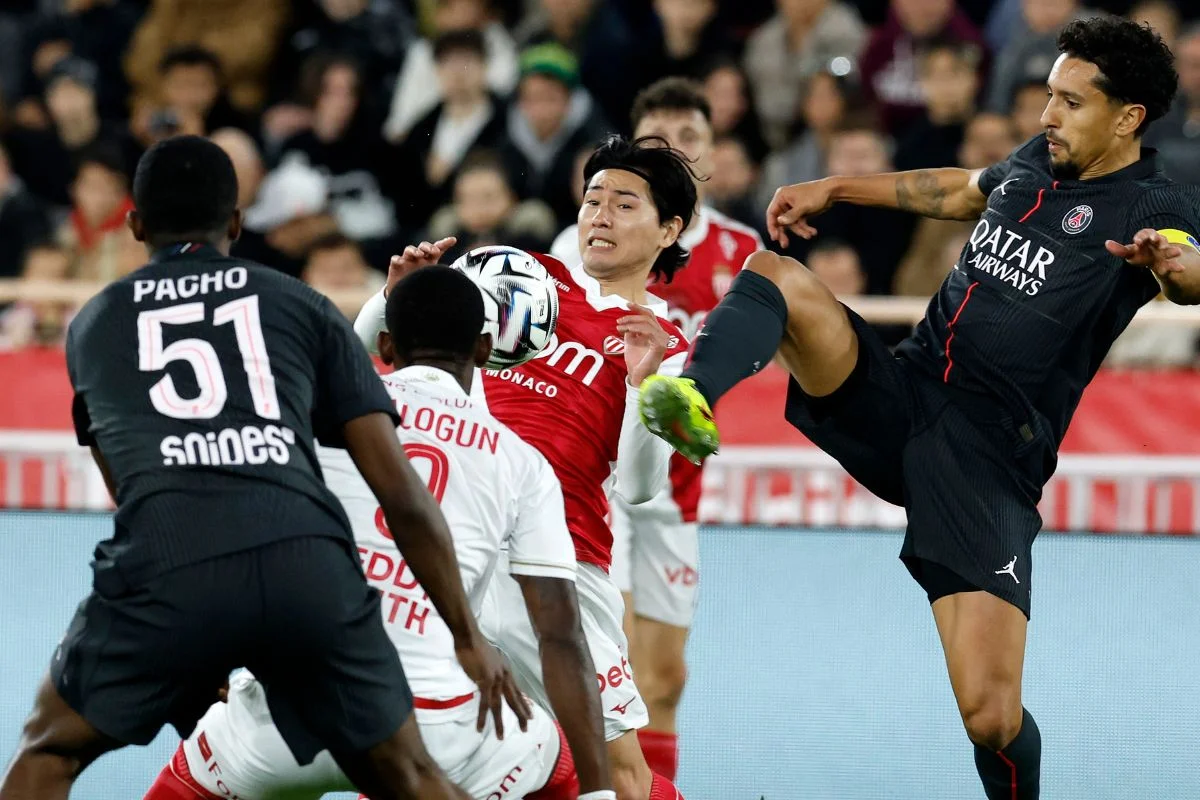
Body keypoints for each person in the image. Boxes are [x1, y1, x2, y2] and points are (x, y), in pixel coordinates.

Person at [638, 17, 1200, 800]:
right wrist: (835, 187)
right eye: (1050, 96)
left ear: (1128, 117)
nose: (1047, 115)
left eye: (1070, 103)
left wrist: (1171, 264)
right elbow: (957, 189)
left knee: (990, 718)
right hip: (901, 394)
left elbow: (1188, 272)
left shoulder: (1154, 202)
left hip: (987, 462)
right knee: (775, 274)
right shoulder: (1037, 158)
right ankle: (693, 394)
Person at [0, 135, 526, 800]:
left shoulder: (93, 325)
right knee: (408, 773)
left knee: (48, 750)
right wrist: (467, 636)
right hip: (305, 569)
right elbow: (401, 492)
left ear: (134, 224)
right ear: (236, 222)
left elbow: (127, 486)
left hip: (170, 564)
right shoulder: (303, 305)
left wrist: (192, 636)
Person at [143, 265, 615, 800]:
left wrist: (208, 658)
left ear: (386, 345)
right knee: (556, 765)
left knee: (191, 779)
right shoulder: (522, 463)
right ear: (485, 350)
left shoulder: (310, 414)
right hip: (434, 730)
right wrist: (598, 793)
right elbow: (559, 633)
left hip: (285, 722)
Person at [357, 135, 694, 800]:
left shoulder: (669, 344)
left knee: (620, 775)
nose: (600, 216)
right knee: (411, 752)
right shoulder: (522, 274)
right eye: (593, 200)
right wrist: (394, 296)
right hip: (458, 545)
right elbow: (372, 345)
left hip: (562, 564)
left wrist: (643, 383)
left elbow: (640, 486)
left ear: (668, 230)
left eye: (624, 204)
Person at [550, 77, 762, 783]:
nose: (675, 148)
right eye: (659, 137)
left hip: (676, 484)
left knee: (665, 677)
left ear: (711, 151)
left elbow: (752, 351)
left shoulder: (741, 249)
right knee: (605, 668)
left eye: (689, 136)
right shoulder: (581, 241)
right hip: (594, 482)